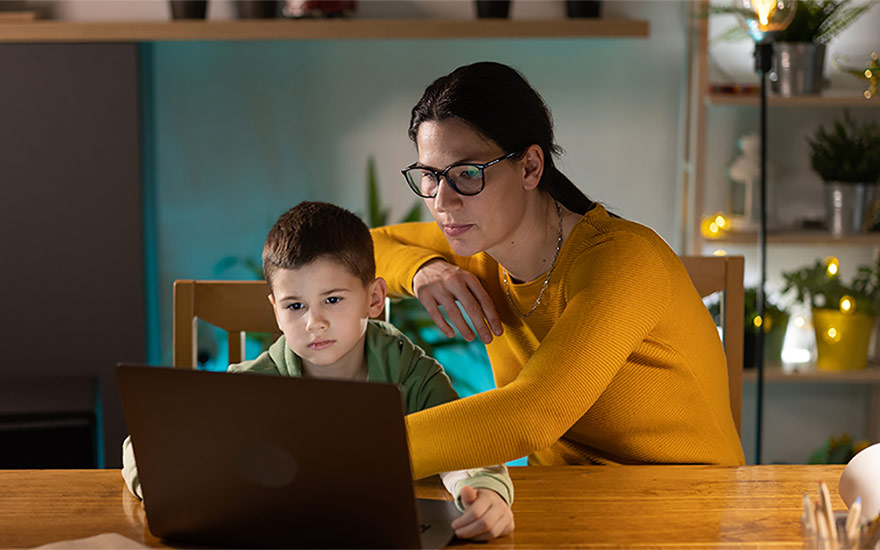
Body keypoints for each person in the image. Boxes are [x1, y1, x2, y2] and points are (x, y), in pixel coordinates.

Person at [371, 61, 745, 479]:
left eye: (467, 173)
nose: (442, 201)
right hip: (559, 494)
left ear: (530, 167)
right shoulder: (478, 243)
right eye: (430, 176)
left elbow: (533, 415)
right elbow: (360, 248)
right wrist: (423, 268)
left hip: (686, 499)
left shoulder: (624, 260)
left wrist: (356, 453)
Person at [122, 201, 514, 541]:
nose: (314, 323)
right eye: (295, 306)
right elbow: (143, 447)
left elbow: (466, 443)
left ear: (374, 298)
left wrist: (484, 492)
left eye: (332, 299)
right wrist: (170, 485)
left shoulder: (411, 372)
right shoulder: (252, 384)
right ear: (276, 311)